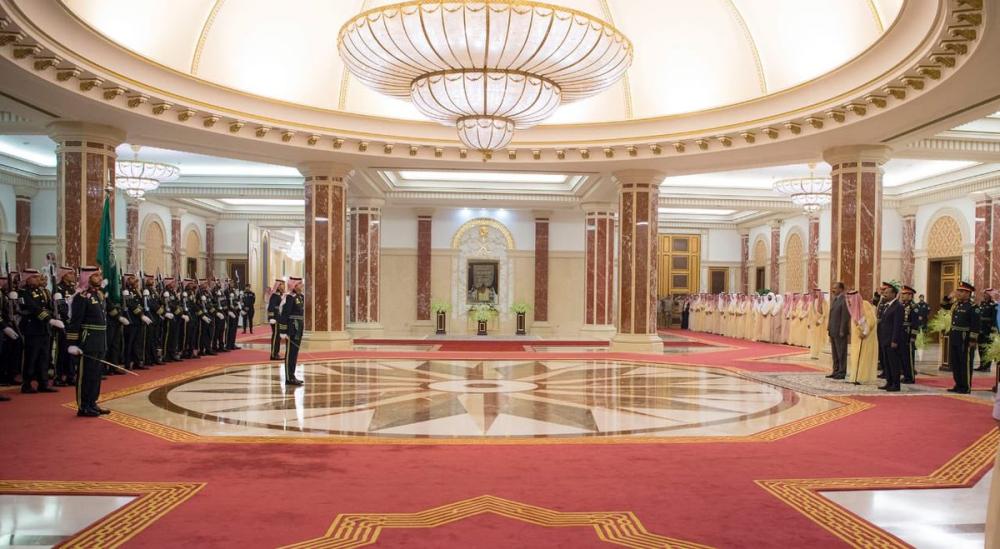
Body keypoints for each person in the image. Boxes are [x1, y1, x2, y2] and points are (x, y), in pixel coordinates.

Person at [66, 266, 110, 417]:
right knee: (85, 375)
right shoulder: (81, 296)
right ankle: (83, 406)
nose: (99, 278)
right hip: (87, 340)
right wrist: (73, 343)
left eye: (99, 275)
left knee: (96, 375)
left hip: (99, 341)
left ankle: (92, 402)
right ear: (87, 278)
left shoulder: (98, 295)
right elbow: (75, 321)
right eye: (96, 275)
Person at [18, 269, 62, 394]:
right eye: (35, 277)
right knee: (31, 357)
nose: (38, 279)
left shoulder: (41, 291)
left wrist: (53, 314)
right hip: (32, 328)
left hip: (44, 328)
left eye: (38, 277)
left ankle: (43, 383)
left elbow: (47, 306)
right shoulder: (24, 292)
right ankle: (26, 384)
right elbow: (33, 308)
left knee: (44, 356)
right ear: (27, 279)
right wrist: (49, 319)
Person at [948, 281, 980, 394]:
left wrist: (973, 340)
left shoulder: (973, 307)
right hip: (955, 336)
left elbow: (975, 325)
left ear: (968, 293)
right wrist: (948, 297)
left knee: (965, 363)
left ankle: (965, 387)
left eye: (961, 291)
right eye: (958, 291)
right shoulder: (956, 305)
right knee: (955, 362)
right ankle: (958, 384)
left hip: (965, 338)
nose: (959, 293)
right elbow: (944, 305)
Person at [846, 290, 878, 385]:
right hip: (856, 337)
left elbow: (871, 320)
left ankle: (861, 378)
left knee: (863, 358)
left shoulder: (864, 304)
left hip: (866, 337)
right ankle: (854, 377)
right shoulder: (852, 307)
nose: (849, 300)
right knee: (855, 357)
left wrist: (864, 332)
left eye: (850, 298)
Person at [877, 283, 904, 392]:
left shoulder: (898, 306)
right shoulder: (886, 305)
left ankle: (895, 384)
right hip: (884, 339)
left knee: (893, 363)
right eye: (884, 293)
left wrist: (894, 340)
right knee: (886, 363)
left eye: (887, 293)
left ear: (894, 294)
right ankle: (889, 382)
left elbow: (897, 325)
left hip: (891, 340)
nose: (885, 294)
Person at [52, 266, 77, 386]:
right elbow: (60, 307)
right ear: (64, 275)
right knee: (61, 351)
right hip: (63, 323)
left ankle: (70, 375)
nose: (73, 276)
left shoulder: (72, 288)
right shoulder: (59, 288)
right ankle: (58, 376)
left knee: (71, 351)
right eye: (70, 273)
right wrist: (67, 319)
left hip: (72, 324)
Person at [279, 276, 304, 385]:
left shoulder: (300, 297)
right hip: (291, 328)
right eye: (300, 284)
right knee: (290, 354)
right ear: (294, 285)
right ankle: (289, 377)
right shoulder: (290, 297)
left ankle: (292, 375)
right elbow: (285, 314)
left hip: (298, 329)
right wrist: (283, 331)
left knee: (295, 353)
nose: (302, 286)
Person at [826, 282, 850, 379]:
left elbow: (845, 316)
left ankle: (841, 372)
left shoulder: (844, 300)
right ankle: (835, 370)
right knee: (835, 353)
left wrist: (842, 330)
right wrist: (829, 327)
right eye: (833, 288)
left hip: (840, 331)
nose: (833, 290)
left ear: (841, 289)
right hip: (833, 330)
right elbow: (831, 315)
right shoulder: (835, 300)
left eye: (835, 288)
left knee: (841, 352)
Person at [975, 289, 997, 372]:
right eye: (984, 294)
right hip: (981, 328)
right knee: (981, 347)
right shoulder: (982, 304)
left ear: (990, 295)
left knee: (987, 348)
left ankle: (987, 366)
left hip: (988, 329)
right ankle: (982, 365)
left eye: (986, 294)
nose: (984, 295)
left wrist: (992, 330)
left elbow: (994, 319)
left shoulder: (993, 305)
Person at [899, 285, 917, 384]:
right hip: (902, 333)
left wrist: (913, 337)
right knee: (903, 357)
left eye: (904, 294)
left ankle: (910, 377)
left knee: (909, 357)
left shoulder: (914, 307)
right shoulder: (903, 306)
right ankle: (905, 375)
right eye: (902, 294)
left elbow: (915, 323)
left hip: (908, 333)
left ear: (910, 295)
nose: (902, 295)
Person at [267, 279, 285, 360]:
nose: (283, 286)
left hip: (279, 318)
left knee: (278, 337)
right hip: (275, 319)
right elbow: (271, 307)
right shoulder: (274, 296)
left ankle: (276, 353)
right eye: (281, 285)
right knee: (276, 336)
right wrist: (271, 318)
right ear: (277, 286)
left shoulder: (279, 296)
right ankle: (273, 354)